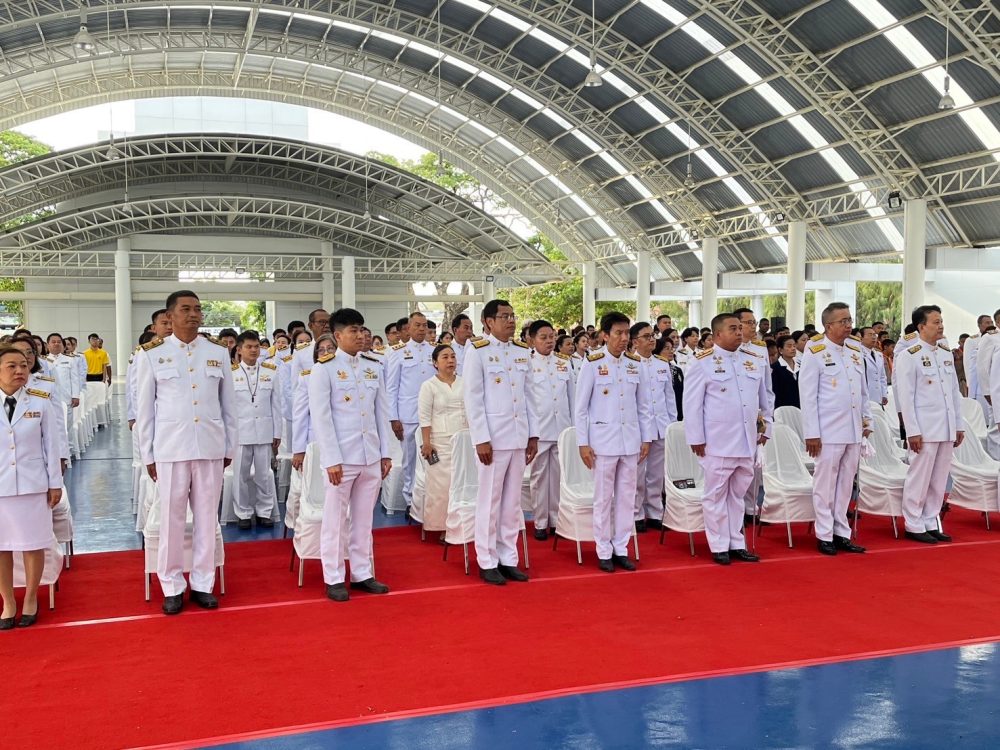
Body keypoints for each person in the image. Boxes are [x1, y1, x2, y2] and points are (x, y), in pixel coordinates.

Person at [134, 290, 238, 615]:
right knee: (172, 519)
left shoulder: (217, 352)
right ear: (169, 316)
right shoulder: (151, 354)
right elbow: (145, 411)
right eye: (186, 309)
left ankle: (204, 583)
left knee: (207, 519)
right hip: (171, 448)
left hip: (210, 446)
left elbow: (229, 405)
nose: (193, 314)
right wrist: (148, 455)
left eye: (198, 309)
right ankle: (172, 585)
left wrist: (230, 446)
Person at [308, 308, 392, 602]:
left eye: (361, 329)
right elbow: (322, 419)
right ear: (338, 335)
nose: (360, 335)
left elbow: (382, 413)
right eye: (353, 330)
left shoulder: (373, 366)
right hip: (342, 458)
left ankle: (361, 572)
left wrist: (385, 454)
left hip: (370, 455)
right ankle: (333, 577)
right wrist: (331, 459)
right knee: (334, 520)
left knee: (364, 519)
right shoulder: (324, 369)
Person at [683, 313, 770, 565]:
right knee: (716, 494)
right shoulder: (702, 362)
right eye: (733, 328)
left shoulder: (753, 359)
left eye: (740, 328)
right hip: (717, 441)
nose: (739, 332)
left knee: (738, 494)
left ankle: (736, 542)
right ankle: (719, 544)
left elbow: (764, 398)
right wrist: (696, 437)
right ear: (718, 334)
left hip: (747, 440)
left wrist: (767, 427)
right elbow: (692, 405)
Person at [464, 299, 538, 585]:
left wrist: (533, 434)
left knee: (512, 503)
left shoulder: (522, 351)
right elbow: (473, 398)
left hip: (518, 437)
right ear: (488, 321)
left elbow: (529, 396)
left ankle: (508, 557)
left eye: (512, 315)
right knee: (489, 501)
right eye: (504, 316)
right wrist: (481, 438)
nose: (511, 321)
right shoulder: (477, 351)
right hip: (493, 439)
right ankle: (486, 559)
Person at [575, 312, 653, 573]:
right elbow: (581, 408)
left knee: (627, 497)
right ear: (605, 335)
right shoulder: (592, 363)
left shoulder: (635, 364)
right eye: (618, 333)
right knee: (603, 498)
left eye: (626, 333)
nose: (624, 338)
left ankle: (621, 547)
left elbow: (644, 406)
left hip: (630, 441)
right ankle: (603, 549)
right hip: (602, 442)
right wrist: (583, 443)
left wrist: (646, 438)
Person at [799, 302, 870, 556]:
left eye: (850, 320)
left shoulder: (854, 348)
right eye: (843, 321)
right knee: (825, 484)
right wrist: (812, 433)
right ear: (828, 326)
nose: (849, 325)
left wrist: (866, 421)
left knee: (846, 483)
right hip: (828, 429)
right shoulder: (815, 350)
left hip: (852, 428)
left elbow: (862, 390)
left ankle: (842, 532)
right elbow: (808, 396)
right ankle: (824, 534)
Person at [0, 345, 63, 630]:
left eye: (24, 365)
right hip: (1, 486)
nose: (19, 370)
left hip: (32, 484)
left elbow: (52, 445)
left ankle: (30, 598)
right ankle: (8, 602)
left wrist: (55, 484)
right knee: (1, 548)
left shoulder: (40, 401)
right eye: (11, 366)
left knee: (33, 544)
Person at [895, 305, 963, 544]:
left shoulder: (944, 353)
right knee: (920, 477)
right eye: (935, 322)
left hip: (946, 426)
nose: (941, 326)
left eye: (941, 321)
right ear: (921, 326)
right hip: (924, 428)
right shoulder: (909, 355)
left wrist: (959, 425)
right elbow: (906, 397)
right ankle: (913, 523)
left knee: (939, 477)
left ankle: (930, 520)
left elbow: (953, 393)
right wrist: (912, 431)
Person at [525, 319, 574, 540]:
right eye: (543, 337)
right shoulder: (527, 362)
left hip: (561, 427)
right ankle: (540, 521)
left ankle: (556, 520)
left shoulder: (564, 362)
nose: (549, 341)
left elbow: (572, 397)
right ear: (532, 340)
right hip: (540, 430)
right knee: (538, 477)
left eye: (551, 337)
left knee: (558, 476)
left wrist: (573, 428)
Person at [231, 331, 282, 530]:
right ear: (239, 350)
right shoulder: (232, 374)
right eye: (249, 347)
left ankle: (264, 512)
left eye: (256, 347)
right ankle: (242, 513)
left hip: (264, 431)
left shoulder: (271, 372)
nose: (253, 350)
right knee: (240, 476)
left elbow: (276, 405)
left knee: (264, 475)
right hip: (240, 432)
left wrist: (277, 433)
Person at [387, 312, 436, 513]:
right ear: (408, 327)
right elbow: (392, 387)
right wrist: (393, 417)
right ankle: (410, 499)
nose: (422, 329)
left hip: (432, 414)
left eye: (425, 325)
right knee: (410, 458)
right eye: (417, 325)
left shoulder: (435, 350)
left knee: (433, 457)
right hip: (408, 414)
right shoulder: (397, 352)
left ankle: (431, 497)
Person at [630, 322, 677, 531]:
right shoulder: (630, 364)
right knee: (637, 473)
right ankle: (636, 513)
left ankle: (655, 511)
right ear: (635, 341)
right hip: (640, 427)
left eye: (652, 336)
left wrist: (671, 425)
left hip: (661, 424)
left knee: (657, 473)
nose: (652, 340)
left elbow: (669, 397)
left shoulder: (661, 364)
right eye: (646, 336)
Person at [417, 345, 468, 536]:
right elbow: (424, 417)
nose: (450, 360)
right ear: (435, 362)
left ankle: (463, 524)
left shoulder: (465, 382)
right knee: (442, 486)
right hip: (439, 441)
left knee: (463, 483)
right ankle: (442, 527)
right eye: (445, 357)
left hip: (464, 439)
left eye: (453, 356)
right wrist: (426, 442)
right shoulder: (429, 386)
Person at [83, 333, 111, 427]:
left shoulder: (103, 353)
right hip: (89, 377)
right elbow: (83, 368)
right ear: (89, 341)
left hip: (99, 377)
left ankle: (100, 420)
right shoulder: (85, 353)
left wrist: (104, 379)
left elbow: (104, 367)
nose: (95, 341)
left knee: (100, 400)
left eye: (96, 339)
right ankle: (92, 421)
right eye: (93, 339)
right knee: (90, 400)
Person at [859, 326, 888, 408]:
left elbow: (882, 377)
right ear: (861, 338)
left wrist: (884, 394)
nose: (873, 337)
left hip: (878, 397)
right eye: (870, 335)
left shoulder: (879, 354)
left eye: (874, 335)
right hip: (864, 398)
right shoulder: (857, 354)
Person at [772, 334, 800, 410]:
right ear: (780, 350)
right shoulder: (775, 368)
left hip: (801, 408)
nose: (793, 348)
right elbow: (775, 393)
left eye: (794, 346)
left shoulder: (801, 366)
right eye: (789, 346)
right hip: (783, 409)